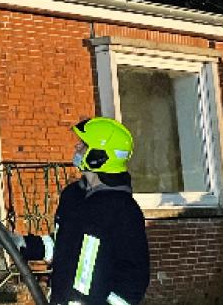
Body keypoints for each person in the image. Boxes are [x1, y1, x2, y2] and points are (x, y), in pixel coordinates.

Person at [9, 117, 149, 305]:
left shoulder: (124, 211)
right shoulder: (72, 196)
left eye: (83, 145)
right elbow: (64, 243)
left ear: (99, 156)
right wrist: (25, 244)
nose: (76, 148)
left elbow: (134, 278)